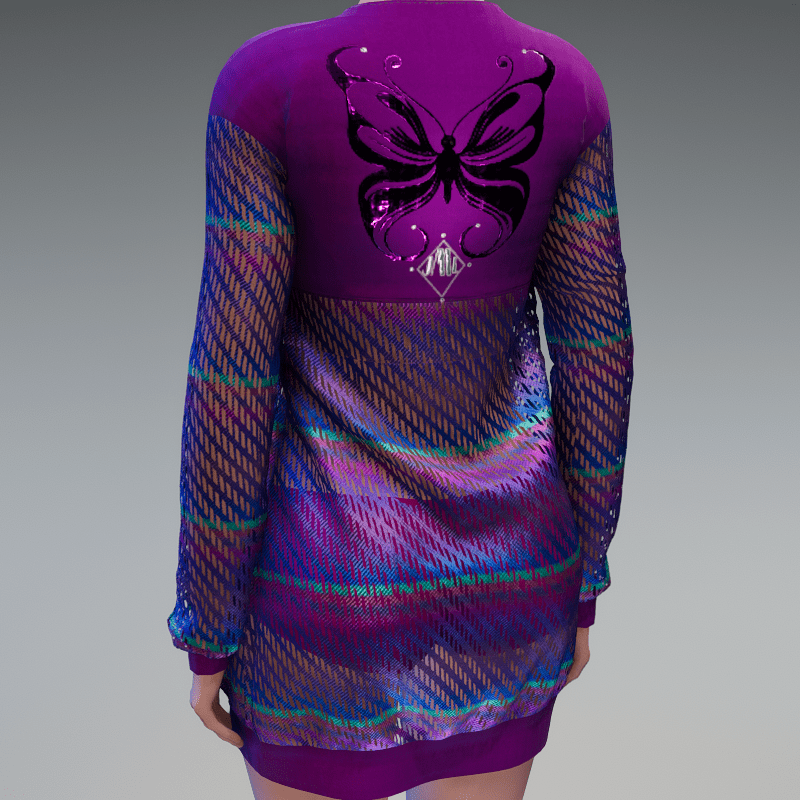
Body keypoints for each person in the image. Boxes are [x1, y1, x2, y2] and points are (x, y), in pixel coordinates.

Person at [168, 1, 634, 798]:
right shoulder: (570, 84)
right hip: (511, 580)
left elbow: (231, 379)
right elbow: (600, 355)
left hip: (321, 589)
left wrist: (208, 624)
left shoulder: (267, 84)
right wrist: (582, 580)